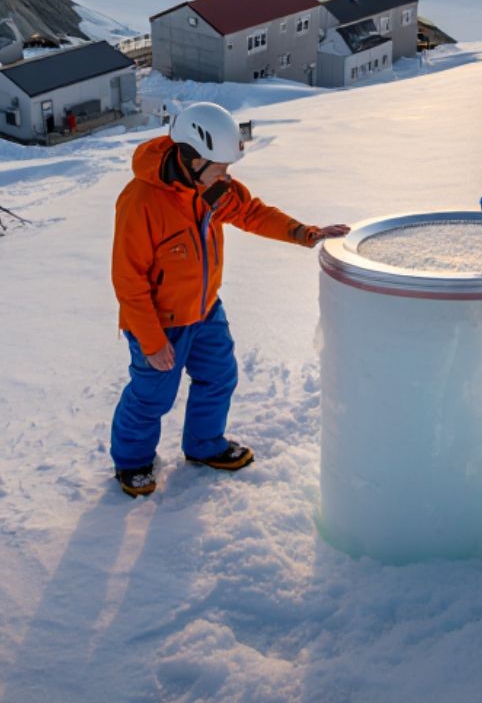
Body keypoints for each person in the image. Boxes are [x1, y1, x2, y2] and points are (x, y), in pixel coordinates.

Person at [109, 102, 350, 498]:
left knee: (220, 375)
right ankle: (132, 462)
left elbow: (251, 213)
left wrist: (304, 233)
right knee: (152, 395)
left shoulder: (211, 188)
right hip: (159, 320)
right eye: (220, 167)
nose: (226, 176)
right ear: (191, 158)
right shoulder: (141, 202)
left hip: (205, 310)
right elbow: (128, 279)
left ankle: (204, 445)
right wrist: (152, 341)